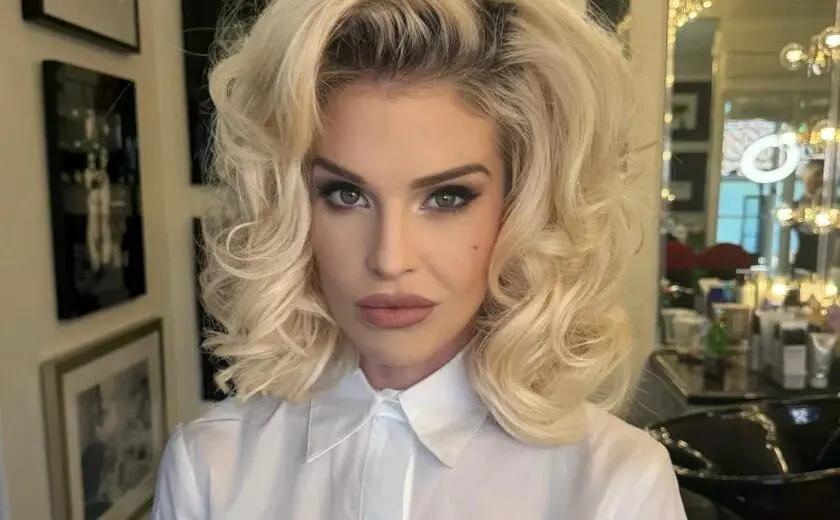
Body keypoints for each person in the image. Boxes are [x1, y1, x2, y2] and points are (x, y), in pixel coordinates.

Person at [152, 1, 686, 518]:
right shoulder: (210, 467)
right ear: (290, 206)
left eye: (447, 198)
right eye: (345, 195)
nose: (390, 259)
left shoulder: (616, 484)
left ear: (520, 207)